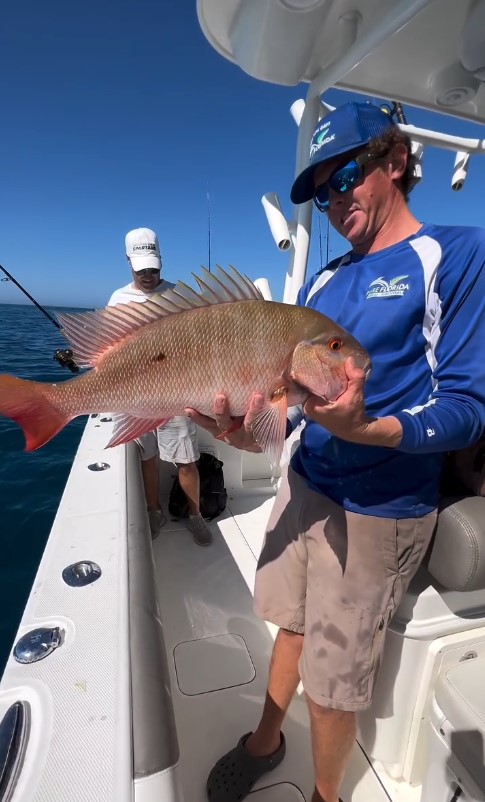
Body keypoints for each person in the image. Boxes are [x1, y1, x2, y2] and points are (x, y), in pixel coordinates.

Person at [187, 102, 485, 802]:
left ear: (395, 162)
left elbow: (469, 408)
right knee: (287, 624)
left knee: (331, 680)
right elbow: (292, 401)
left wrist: (368, 431)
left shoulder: (455, 253)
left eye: (346, 174)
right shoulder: (322, 282)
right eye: (320, 191)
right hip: (308, 482)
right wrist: (250, 430)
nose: (333, 199)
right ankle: (266, 740)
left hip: (381, 506)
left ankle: (325, 795)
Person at [108, 227, 212, 546]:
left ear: (160, 259)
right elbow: (110, 352)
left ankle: (196, 514)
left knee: (186, 458)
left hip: (175, 392)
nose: (149, 275)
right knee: (147, 456)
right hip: (135, 394)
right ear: (128, 261)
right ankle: (153, 511)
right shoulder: (118, 300)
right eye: (142, 269)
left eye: (153, 267)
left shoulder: (178, 295)